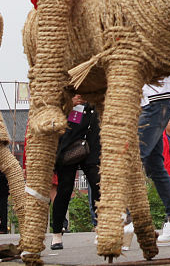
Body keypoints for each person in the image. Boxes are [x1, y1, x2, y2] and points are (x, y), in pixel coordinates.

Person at [138, 79, 170, 244]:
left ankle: (124, 220)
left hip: (153, 103)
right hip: (153, 104)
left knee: (132, 161)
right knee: (155, 166)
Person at [50, 95, 101, 250]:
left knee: (98, 185)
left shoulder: (93, 84)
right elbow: (50, 111)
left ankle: (102, 228)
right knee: (65, 189)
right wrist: (68, 103)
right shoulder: (64, 87)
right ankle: (57, 233)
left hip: (91, 143)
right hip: (69, 144)